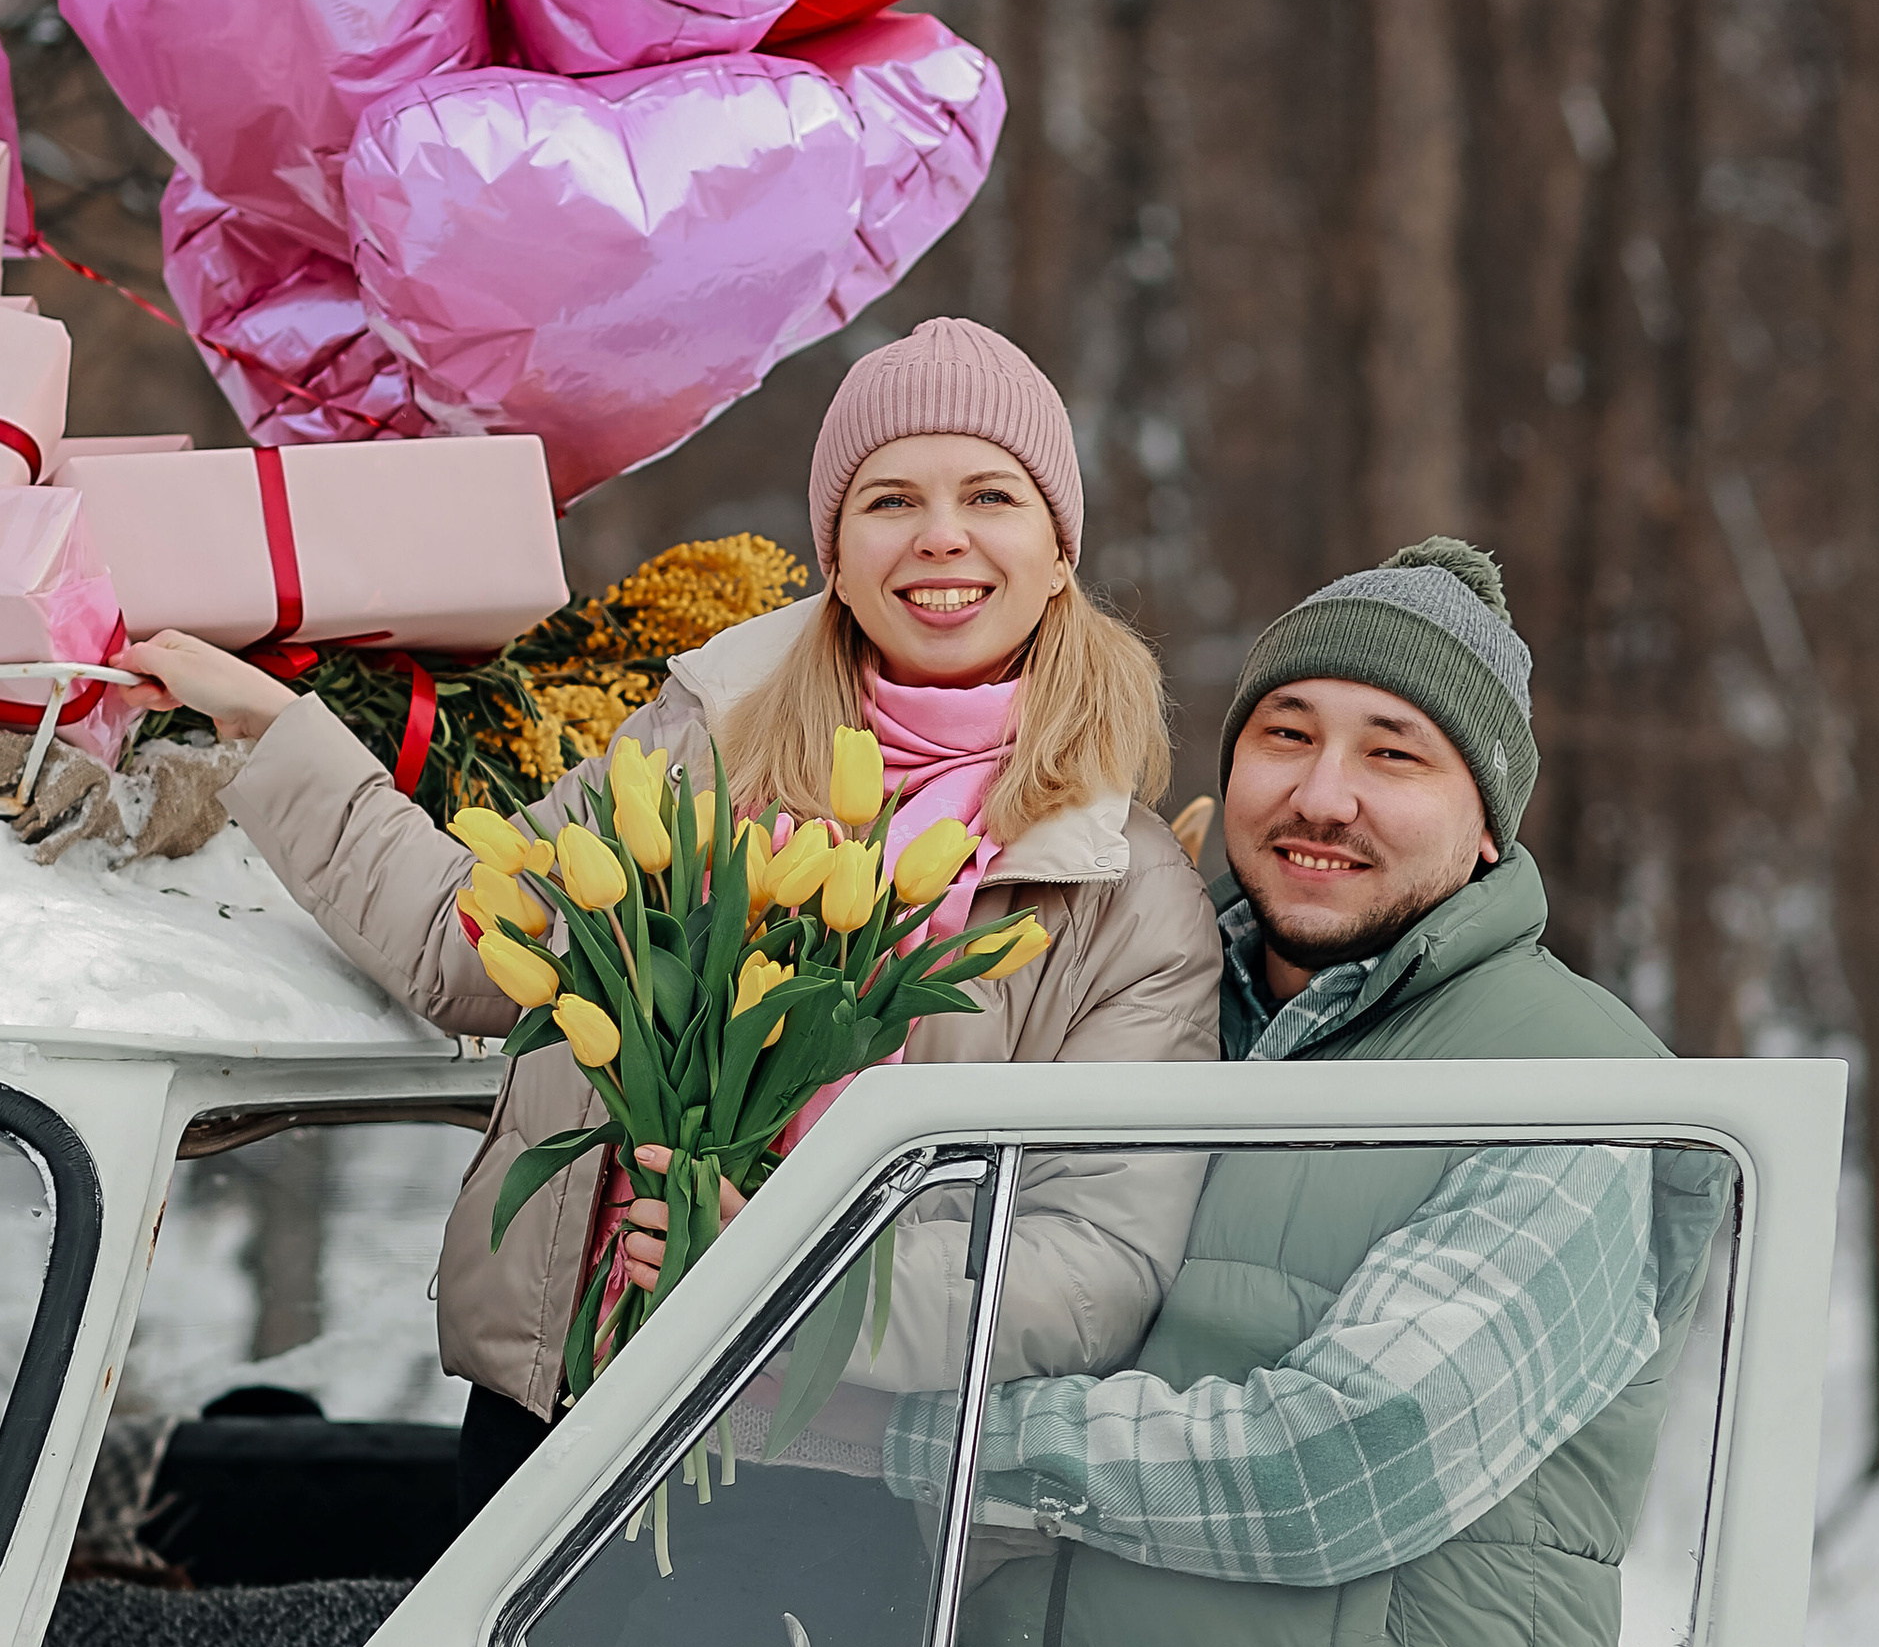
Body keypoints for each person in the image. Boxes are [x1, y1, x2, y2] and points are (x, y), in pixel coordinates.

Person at [126, 321, 1222, 1506]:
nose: (940, 536)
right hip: (570, 1407)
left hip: (838, 1474)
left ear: (1059, 552)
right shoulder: (704, 747)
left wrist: (786, 1279)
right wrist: (271, 731)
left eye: (991, 496)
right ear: (837, 556)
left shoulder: (1124, 893)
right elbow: (469, 948)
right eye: (891, 498)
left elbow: (1091, 1271)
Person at [916, 537, 1730, 1647]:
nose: (1321, 796)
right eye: (1286, 736)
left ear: (1489, 824)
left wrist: (900, 1442)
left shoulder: (1577, 1089)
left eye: (1392, 754)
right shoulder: (1134, 1016)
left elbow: (1344, 1466)